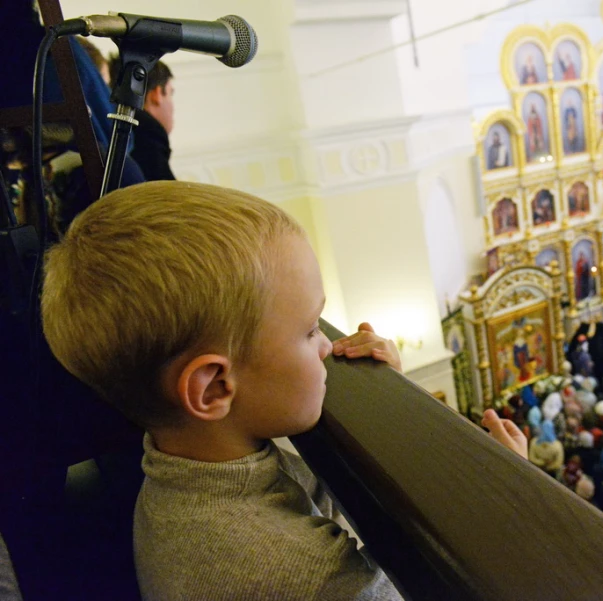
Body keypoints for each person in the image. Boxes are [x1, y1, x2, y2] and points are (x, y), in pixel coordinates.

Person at [40, 181, 528, 600]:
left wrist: (391, 399)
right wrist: (504, 505)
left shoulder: (184, 473)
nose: (326, 348)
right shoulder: (303, 575)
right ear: (213, 388)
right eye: (312, 329)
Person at [131, 61, 177, 181]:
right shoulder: (150, 132)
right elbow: (167, 196)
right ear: (157, 94)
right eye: (170, 93)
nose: (172, 105)